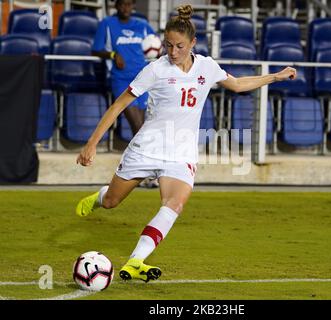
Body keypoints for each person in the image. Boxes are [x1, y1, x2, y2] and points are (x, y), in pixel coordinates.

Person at [76, 4, 296, 283]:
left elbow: (239, 84)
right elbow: (119, 105)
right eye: (168, 45)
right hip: (148, 146)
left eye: (179, 45)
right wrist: (92, 144)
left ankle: (136, 260)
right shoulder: (154, 70)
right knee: (112, 202)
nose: (173, 52)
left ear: (193, 43)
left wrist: (275, 76)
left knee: (174, 205)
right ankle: (100, 196)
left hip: (181, 151)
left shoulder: (206, 66)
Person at [92, 0, 159, 188]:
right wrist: (113, 55)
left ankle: (136, 171)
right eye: (122, 4)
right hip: (121, 80)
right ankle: (145, 172)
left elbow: (156, 46)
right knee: (138, 126)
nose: (126, 8)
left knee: (143, 127)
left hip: (143, 79)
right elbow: (96, 49)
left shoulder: (143, 25)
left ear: (133, 6)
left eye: (129, 4)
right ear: (117, 6)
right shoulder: (107, 24)